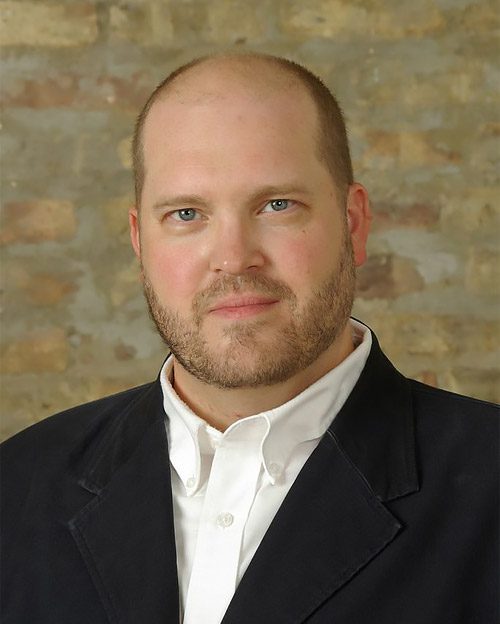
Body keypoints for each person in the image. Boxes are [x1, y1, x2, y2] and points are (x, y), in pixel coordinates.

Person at [1, 53, 498, 624]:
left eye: (277, 205)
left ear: (353, 223)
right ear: (141, 242)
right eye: (187, 213)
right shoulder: (18, 488)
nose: (234, 258)